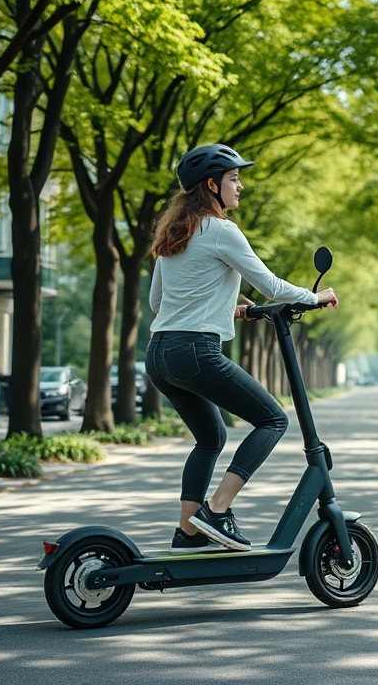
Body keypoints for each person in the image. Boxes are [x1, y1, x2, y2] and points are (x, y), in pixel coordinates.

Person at [147, 143, 337, 555]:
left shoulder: (173, 234)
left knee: (211, 437)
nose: (241, 186)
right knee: (272, 419)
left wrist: (230, 310)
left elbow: (159, 304)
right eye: (234, 179)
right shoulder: (221, 231)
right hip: (196, 350)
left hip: (159, 354)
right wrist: (315, 297)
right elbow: (272, 286)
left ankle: (188, 533)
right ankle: (216, 512)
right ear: (212, 185)